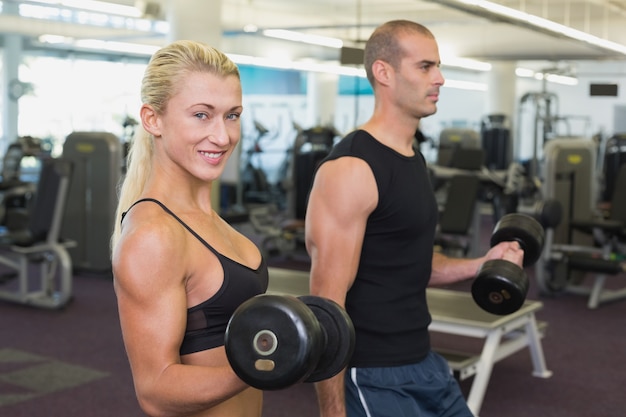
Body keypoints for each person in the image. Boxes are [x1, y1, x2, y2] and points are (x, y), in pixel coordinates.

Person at [304, 20, 524, 417]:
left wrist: (482, 264)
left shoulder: (411, 158)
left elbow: (408, 263)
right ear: (383, 73)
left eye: (437, 66)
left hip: (424, 361)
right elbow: (326, 307)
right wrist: (333, 412)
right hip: (370, 373)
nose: (439, 78)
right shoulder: (352, 168)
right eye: (425, 67)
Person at [110, 40, 268, 417]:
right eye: (201, 115)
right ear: (152, 120)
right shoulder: (155, 235)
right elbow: (155, 390)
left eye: (232, 115)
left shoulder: (207, 220)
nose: (223, 135)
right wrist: (266, 362)